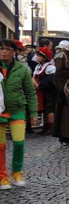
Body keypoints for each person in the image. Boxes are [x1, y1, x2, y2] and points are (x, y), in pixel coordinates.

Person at [0, 39, 37, 189]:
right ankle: (2, 176)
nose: (3, 52)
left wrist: (33, 113)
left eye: (7, 49)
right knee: (0, 146)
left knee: (19, 142)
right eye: (1, 49)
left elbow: (30, 92)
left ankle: (17, 172)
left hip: (17, 110)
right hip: (0, 111)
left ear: (14, 52)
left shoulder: (22, 69)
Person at [33, 47, 56, 135]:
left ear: (45, 57)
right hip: (41, 92)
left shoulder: (50, 67)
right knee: (44, 110)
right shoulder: (38, 66)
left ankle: (51, 127)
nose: (37, 57)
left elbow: (50, 80)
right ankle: (46, 127)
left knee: (49, 109)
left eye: (39, 56)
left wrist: (38, 84)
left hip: (49, 92)